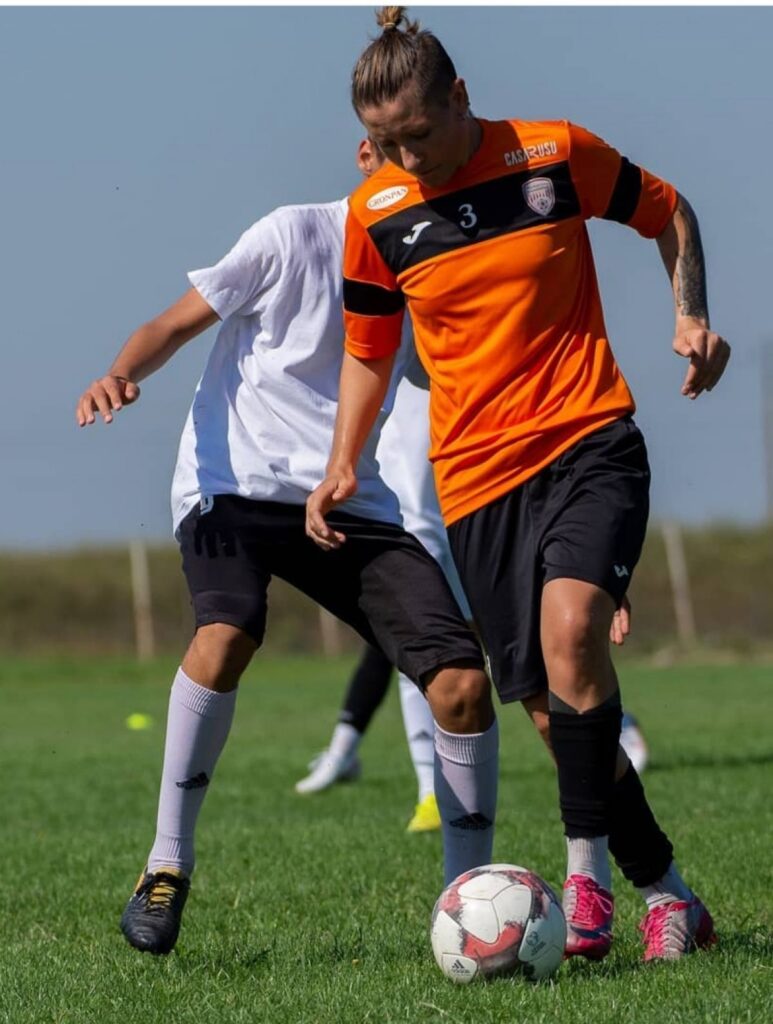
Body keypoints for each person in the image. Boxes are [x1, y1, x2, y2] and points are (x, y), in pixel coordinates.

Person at [306, 6, 730, 963]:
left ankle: (585, 882)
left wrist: (689, 316)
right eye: (384, 142)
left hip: (588, 439)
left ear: (460, 96)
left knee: (573, 634)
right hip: (475, 482)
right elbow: (369, 350)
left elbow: (668, 211)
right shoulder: (375, 215)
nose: (405, 157)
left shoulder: (552, 153)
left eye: (418, 133)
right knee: (550, 704)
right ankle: (669, 893)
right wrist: (341, 461)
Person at [75, 142, 499, 956]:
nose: (412, 170)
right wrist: (121, 372)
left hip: (348, 499)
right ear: (366, 153)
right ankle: (165, 864)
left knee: (461, 686)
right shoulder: (290, 235)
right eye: (394, 151)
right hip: (231, 484)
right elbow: (171, 323)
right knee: (227, 630)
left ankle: (468, 909)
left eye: (427, 156)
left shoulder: (432, 266)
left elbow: (459, 382)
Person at [297, 369, 468, 836]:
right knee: (418, 621)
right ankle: (429, 787)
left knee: (510, 625)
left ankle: (612, 729)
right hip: (392, 414)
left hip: (450, 405)